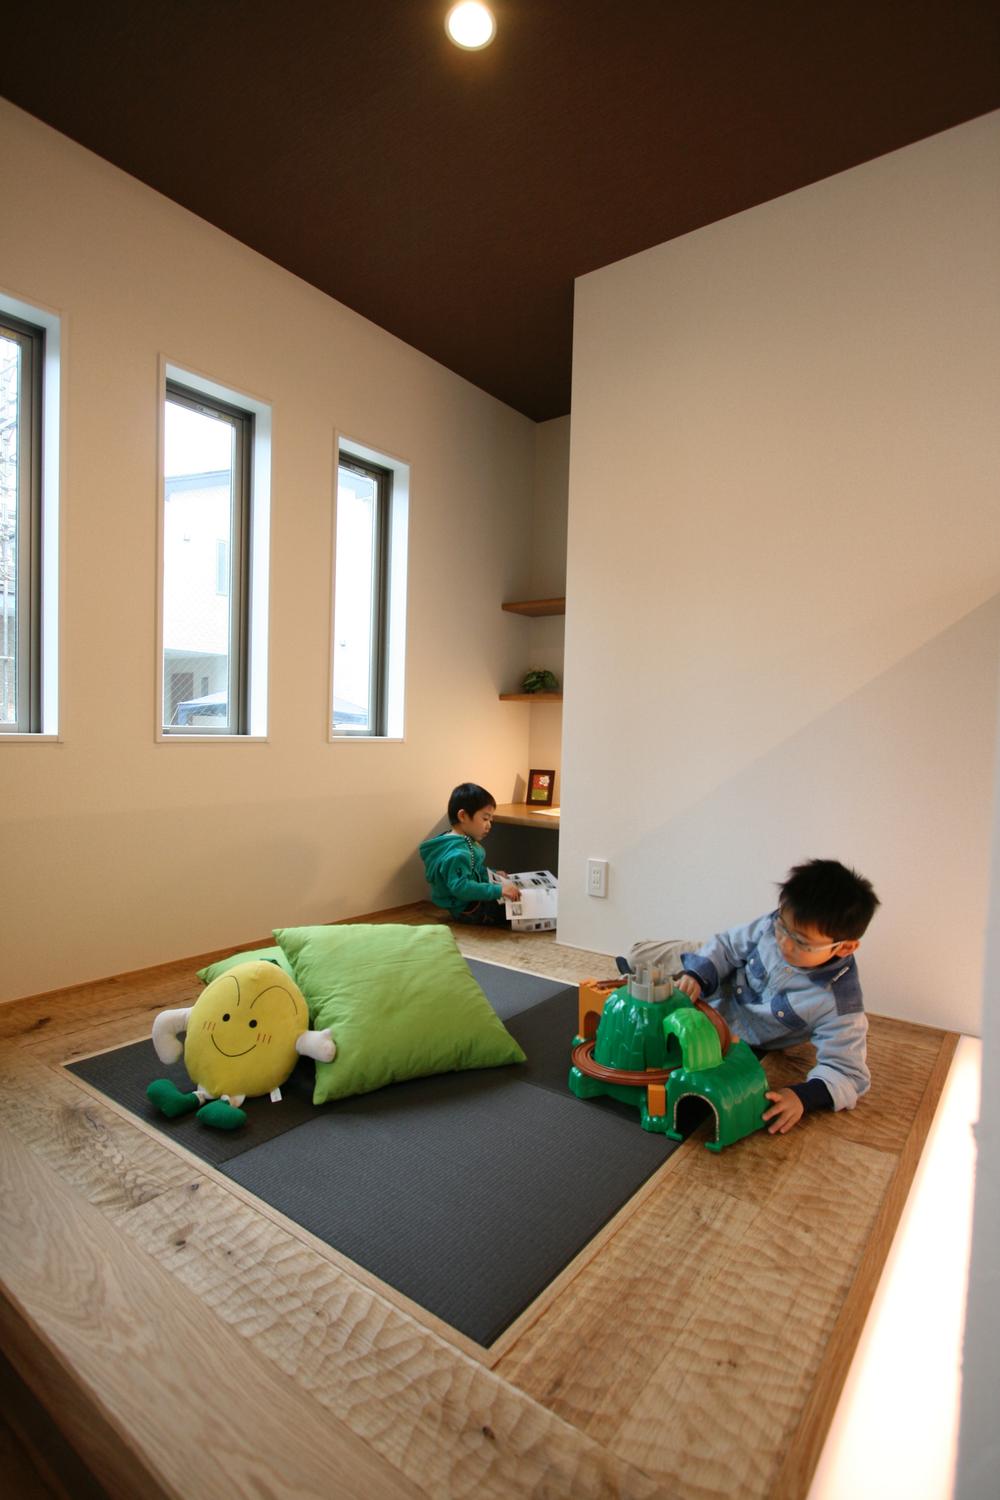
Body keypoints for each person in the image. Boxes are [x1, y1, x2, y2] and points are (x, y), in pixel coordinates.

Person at [627, 859, 880, 1134]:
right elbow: (727, 946)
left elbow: (848, 1073)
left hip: (737, 1030)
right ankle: (691, 963)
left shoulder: (839, 1004)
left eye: (801, 941)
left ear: (845, 947)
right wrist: (698, 975)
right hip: (722, 974)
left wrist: (803, 1097)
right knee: (638, 955)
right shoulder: (772, 925)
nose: (784, 942)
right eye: (782, 927)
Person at [419, 783, 520, 925]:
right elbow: (461, 887)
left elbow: (474, 870)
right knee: (515, 909)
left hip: (470, 901)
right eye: (485, 818)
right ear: (463, 816)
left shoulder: (462, 841)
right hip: (468, 909)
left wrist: (493, 873)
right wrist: (499, 890)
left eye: (490, 820)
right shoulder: (458, 853)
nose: (489, 825)